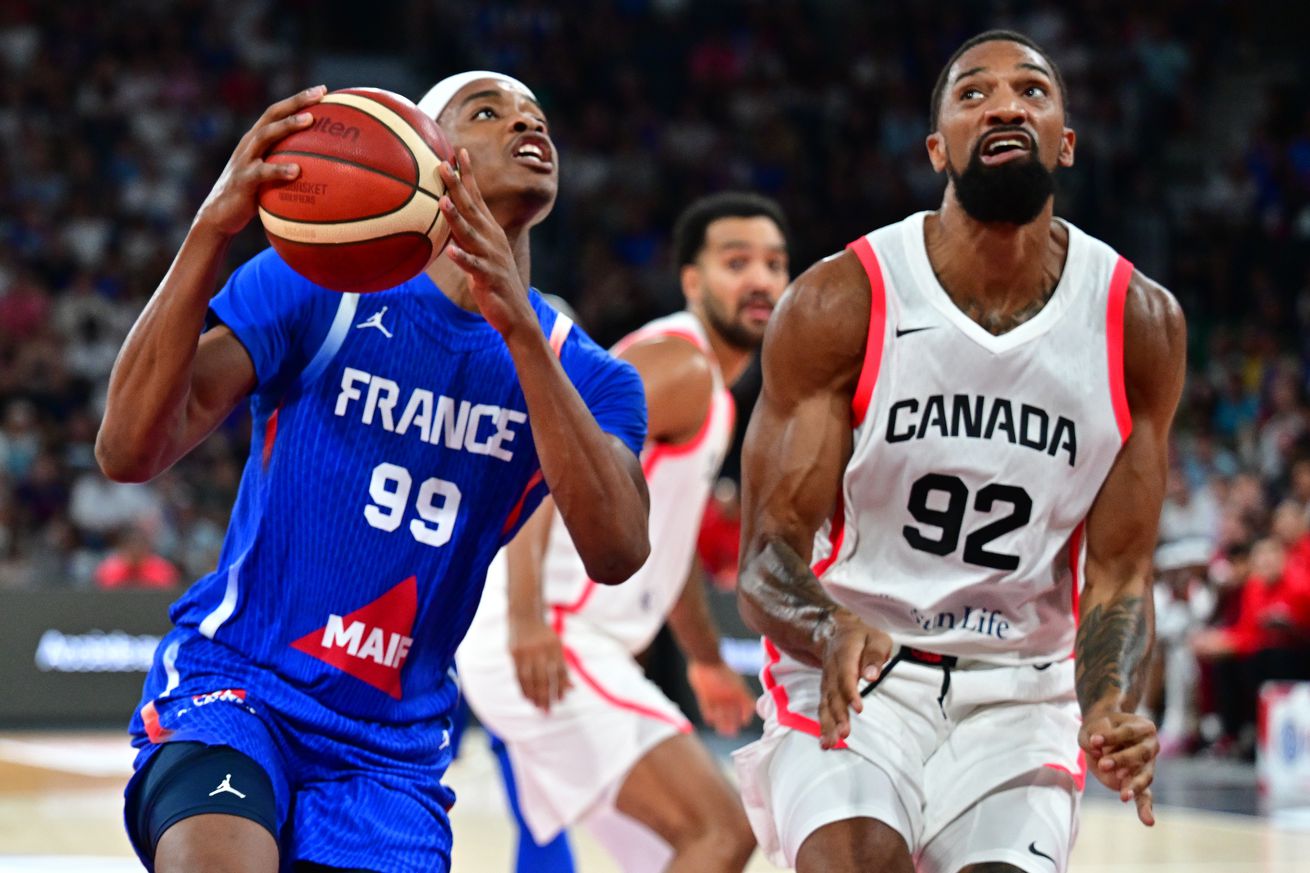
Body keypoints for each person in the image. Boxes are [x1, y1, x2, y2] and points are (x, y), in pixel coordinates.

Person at [97, 71, 651, 873]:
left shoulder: (589, 374)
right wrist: (211, 231)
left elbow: (617, 549)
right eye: (489, 112)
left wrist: (519, 330)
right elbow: (128, 451)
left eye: (538, 117)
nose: (528, 127)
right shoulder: (322, 288)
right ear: (428, 150)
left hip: (390, 748)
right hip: (241, 688)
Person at [732, 30, 1186, 873]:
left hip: (1021, 687)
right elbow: (765, 556)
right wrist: (824, 624)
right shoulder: (843, 300)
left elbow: (1120, 574)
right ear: (938, 148)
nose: (1007, 103)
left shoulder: (1137, 324)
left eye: (1033, 91)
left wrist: (1110, 704)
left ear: (1068, 141)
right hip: (857, 670)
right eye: (974, 92)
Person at [457, 192, 790, 871]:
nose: (760, 278)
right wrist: (526, 618)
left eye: (774, 263)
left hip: (565, 639)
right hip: (549, 635)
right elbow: (555, 455)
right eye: (737, 262)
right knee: (721, 831)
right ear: (693, 281)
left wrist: (700, 656)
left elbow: (668, 551)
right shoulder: (684, 366)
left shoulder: (712, 394)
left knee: (682, 849)